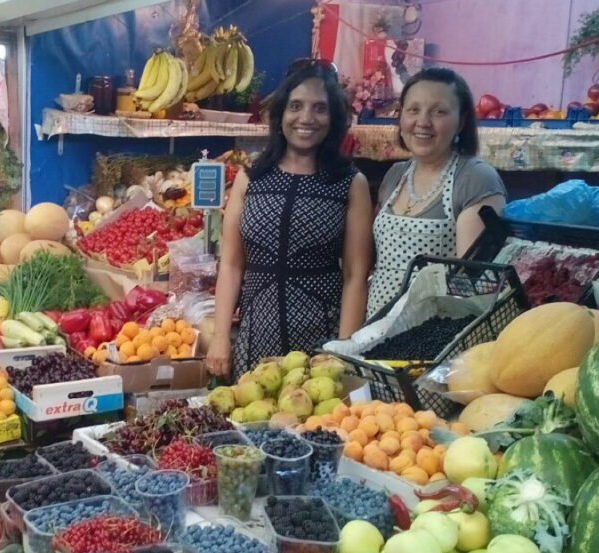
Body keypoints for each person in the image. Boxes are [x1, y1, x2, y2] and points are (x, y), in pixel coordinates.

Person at [206, 60, 374, 381]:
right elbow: (230, 264)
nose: (306, 118)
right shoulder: (250, 178)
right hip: (256, 338)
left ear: (334, 118)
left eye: (320, 108)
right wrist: (220, 337)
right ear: (281, 114)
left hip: (321, 340)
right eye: (295, 106)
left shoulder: (350, 183)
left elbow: (356, 275)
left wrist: (343, 352)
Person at [367, 67, 507, 316]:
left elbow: (472, 285)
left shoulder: (475, 178)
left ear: (461, 121)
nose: (422, 122)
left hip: (431, 333)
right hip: (374, 328)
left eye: (439, 112)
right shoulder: (395, 175)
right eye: (413, 110)